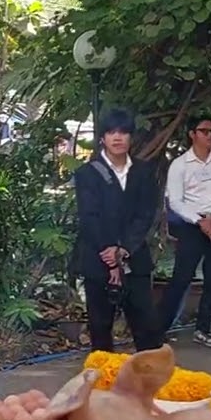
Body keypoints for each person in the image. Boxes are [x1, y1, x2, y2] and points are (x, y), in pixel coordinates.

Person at [72, 108, 162, 352]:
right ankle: (103, 384)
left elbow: (146, 214)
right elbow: (89, 216)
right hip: (97, 259)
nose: (118, 137)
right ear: (102, 138)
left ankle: (150, 382)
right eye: (111, 132)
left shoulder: (143, 172)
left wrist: (122, 249)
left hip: (134, 258)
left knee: (146, 326)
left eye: (123, 132)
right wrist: (109, 253)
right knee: (100, 328)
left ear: (131, 137)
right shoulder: (87, 174)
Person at [161, 115, 211, 348]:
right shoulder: (180, 164)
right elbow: (175, 201)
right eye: (204, 131)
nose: (210, 135)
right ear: (192, 134)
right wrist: (200, 221)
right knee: (181, 278)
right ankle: (158, 329)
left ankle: (203, 329)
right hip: (192, 225)